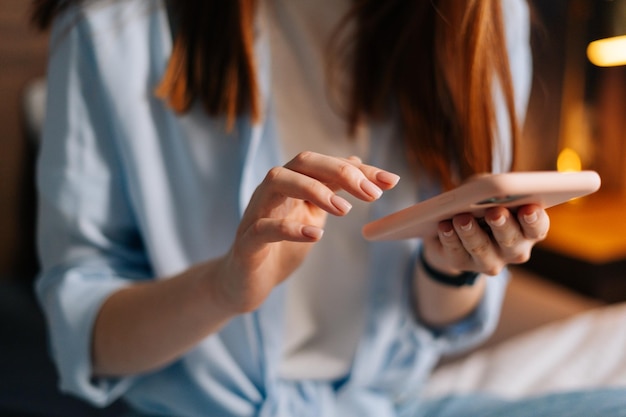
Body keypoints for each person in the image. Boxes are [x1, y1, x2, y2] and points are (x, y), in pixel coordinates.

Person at [31, 0, 626, 416]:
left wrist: (455, 261)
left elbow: (444, 322)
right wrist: (223, 288)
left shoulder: (483, 17)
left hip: (387, 405)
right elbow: (82, 337)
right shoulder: (110, 27)